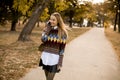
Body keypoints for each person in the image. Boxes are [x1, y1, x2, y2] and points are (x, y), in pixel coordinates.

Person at [39, 12, 68, 80]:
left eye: (53, 20)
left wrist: (60, 62)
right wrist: (47, 30)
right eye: (50, 19)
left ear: (58, 21)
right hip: (45, 57)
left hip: (54, 59)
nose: (51, 21)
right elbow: (43, 40)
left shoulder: (63, 32)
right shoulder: (47, 29)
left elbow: (62, 49)